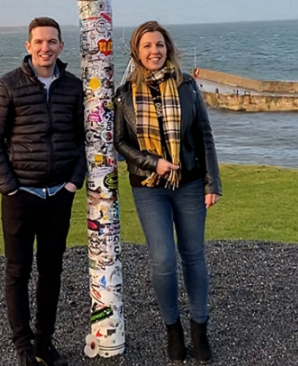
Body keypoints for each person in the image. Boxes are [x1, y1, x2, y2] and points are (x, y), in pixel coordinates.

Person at [0, 17, 86, 366]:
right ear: (28, 46)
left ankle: (44, 343)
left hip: (59, 193)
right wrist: (9, 187)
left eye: (52, 41)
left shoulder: (73, 88)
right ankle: (24, 349)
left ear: (61, 46)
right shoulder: (7, 87)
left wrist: (74, 181)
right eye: (39, 42)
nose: (45, 48)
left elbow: (87, 137)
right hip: (20, 196)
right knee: (18, 271)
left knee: (51, 270)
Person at [114, 20, 221, 364]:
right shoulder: (125, 93)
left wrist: (211, 183)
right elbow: (119, 143)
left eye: (159, 45)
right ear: (137, 52)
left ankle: (199, 328)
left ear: (168, 49)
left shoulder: (187, 86)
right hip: (149, 188)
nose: (154, 51)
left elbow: (204, 135)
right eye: (147, 46)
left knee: (193, 255)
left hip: (189, 184)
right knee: (162, 259)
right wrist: (152, 163)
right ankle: (172, 328)